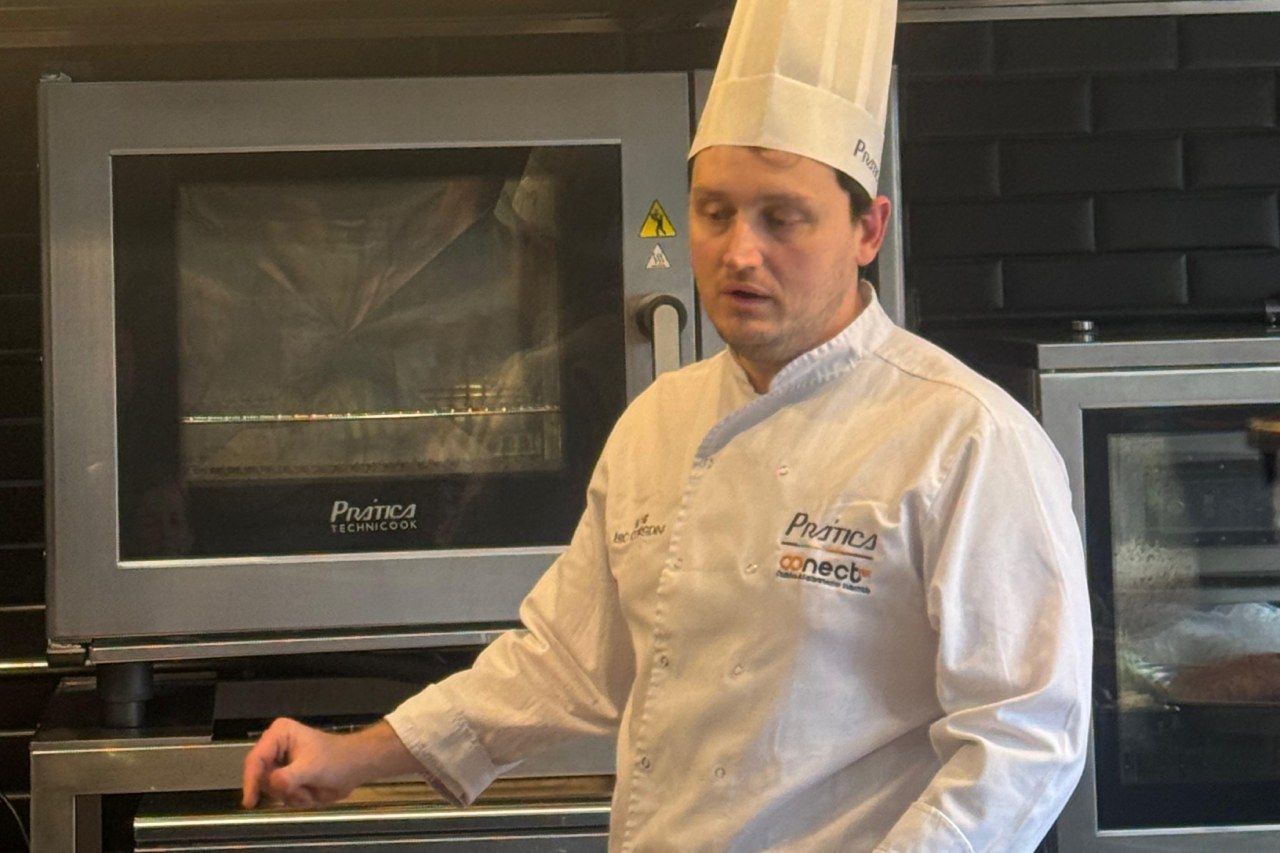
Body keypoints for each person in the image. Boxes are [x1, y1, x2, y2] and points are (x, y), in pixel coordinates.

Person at [243, 0, 1092, 849]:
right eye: (715, 212)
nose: (739, 252)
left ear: (868, 227)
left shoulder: (965, 438)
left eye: (782, 218)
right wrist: (355, 754)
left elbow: (1023, 737)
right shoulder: (660, 421)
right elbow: (563, 661)